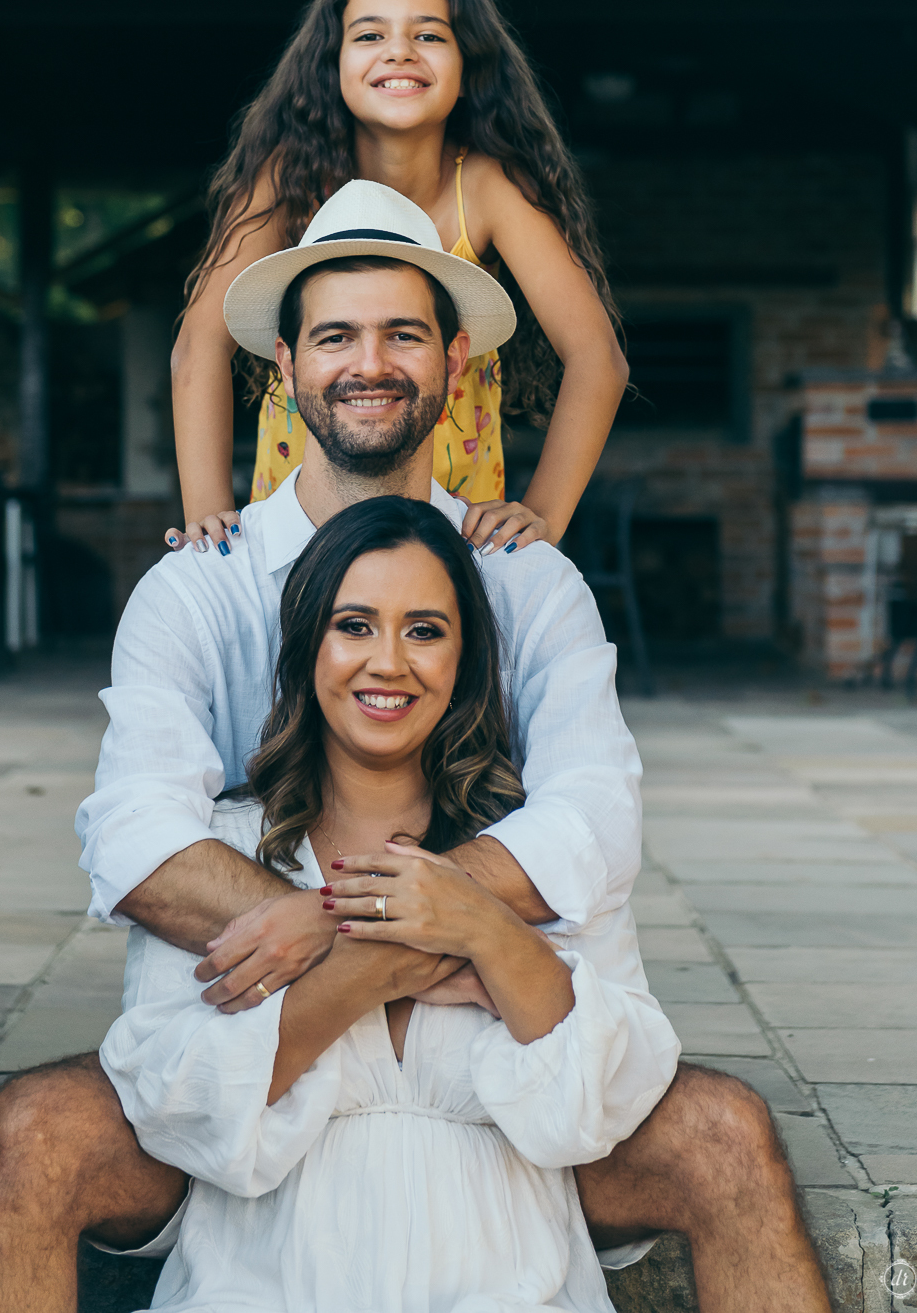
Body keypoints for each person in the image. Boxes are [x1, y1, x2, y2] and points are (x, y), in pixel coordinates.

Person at [0, 187, 830, 1313]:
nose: (372, 362)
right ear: (283, 363)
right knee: (37, 1129)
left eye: (404, 332)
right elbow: (138, 841)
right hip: (268, 1027)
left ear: (456, 359)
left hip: (468, 1060)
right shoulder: (201, 582)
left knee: (722, 1129)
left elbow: (593, 816)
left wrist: (380, 912)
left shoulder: (522, 575)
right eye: (337, 336)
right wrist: (405, 939)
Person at [99, 495, 681, 1313]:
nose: (388, 662)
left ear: (464, 660)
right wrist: (383, 959)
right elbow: (175, 1107)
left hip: (510, 1290)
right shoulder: (222, 858)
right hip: (261, 1289)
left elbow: (601, 1105)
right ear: (307, 648)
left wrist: (481, 926)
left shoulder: (528, 860)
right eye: (355, 625)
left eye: (425, 630)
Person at [168, 0, 629, 558]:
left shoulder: (488, 188)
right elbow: (199, 345)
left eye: (430, 35)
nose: (399, 52)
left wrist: (543, 515)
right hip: (301, 523)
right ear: (330, 66)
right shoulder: (287, 179)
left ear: (470, 69)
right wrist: (207, 523)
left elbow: (598, 356)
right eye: (368, 35)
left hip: (450, 528)